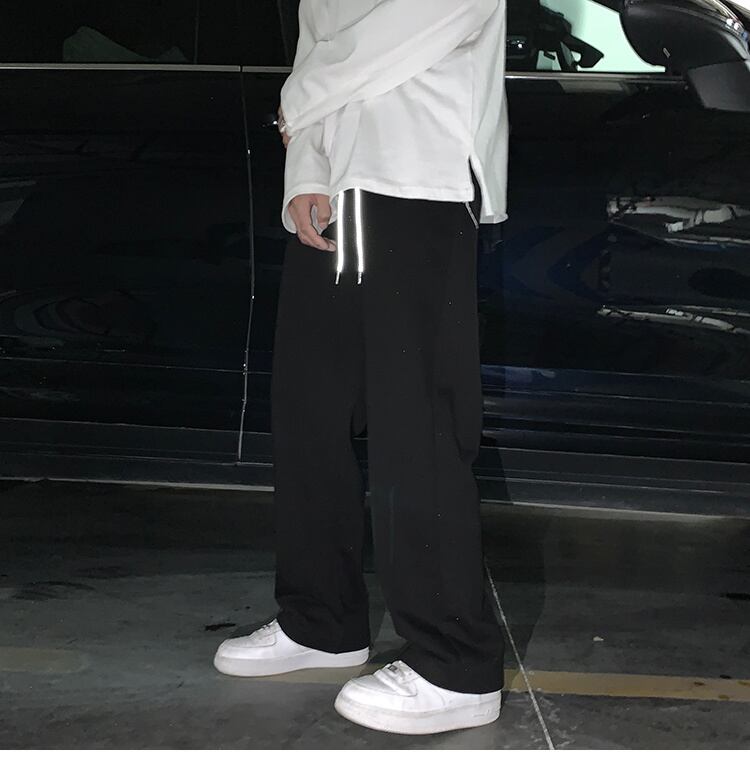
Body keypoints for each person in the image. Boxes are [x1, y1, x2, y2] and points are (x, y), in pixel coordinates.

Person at [214, 0, 509, 736]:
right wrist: (304, 171)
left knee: (419, 422)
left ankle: (456, 665)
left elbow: (414, 24)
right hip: (340, 187)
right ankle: (321, 621)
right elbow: (317, 35)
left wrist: (298, 99)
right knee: (309, 407)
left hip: (421, 176)